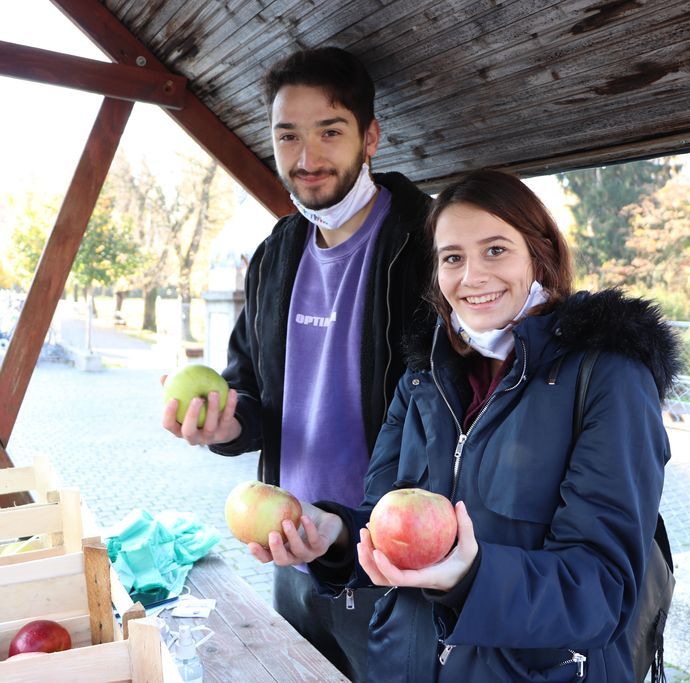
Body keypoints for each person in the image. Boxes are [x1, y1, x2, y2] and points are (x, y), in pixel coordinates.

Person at [255, 170, 680, 681]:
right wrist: (336, 537)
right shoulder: (425, 374)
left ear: (539, 253)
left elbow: (601, 590)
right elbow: (386, 519)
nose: (471, 276)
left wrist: (471, 579)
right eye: (452, 257)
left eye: (496, 250)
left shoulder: (608, 376)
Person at [161, 47, 433, 682]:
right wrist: (226, 426)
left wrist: (359, 529)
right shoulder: (274, 255)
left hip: (391, 562)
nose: (307, 159)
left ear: (370, 137)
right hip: (290, 552)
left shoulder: (426, 245)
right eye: (288, 136)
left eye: (329, 132)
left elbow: (447, 411)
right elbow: (249, 392)